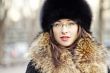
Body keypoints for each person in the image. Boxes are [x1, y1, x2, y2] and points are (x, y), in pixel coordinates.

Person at [25, 0, 110, 73]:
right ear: (51, 28)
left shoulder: (99, 62)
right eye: (57, 24)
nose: (64, 30)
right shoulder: (37, 65)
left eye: (71, 24)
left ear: (79, 27)